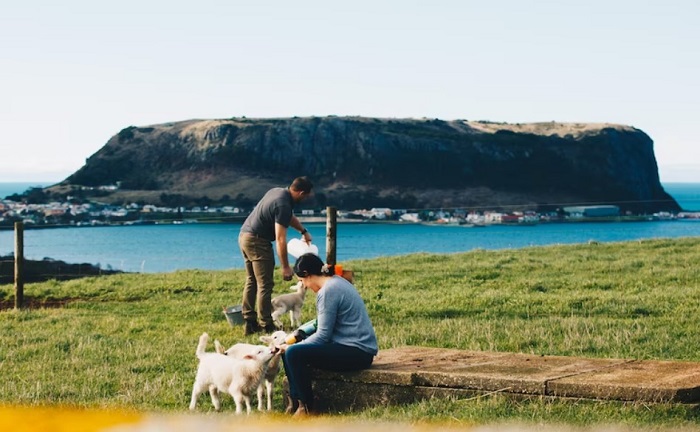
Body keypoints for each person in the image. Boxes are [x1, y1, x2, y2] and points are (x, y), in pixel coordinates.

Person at [282, 253, 378, 416]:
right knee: (290, 350)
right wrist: (297, 336)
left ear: (307, 275)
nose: (304, 286)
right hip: (349, 347)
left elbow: (322, 336)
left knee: (293, 353)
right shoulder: (336, 282)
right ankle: (296, 403)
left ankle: (308, 407)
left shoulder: (328, 291)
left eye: (302, 281)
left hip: (357, 352)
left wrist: (294, 346)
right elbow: (321, 322)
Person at [239, 177, 314, 335]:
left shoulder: (277, 191)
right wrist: (286, 267)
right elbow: (281, 239)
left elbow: (287, 217)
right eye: (306, 196)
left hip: (244, 236)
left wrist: (303, 231)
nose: (305, 199)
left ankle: (249, 322)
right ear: (301, 193)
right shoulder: (283, 204)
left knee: (252, 280)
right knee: (265, 284)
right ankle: (266, 324)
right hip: (258, 241)